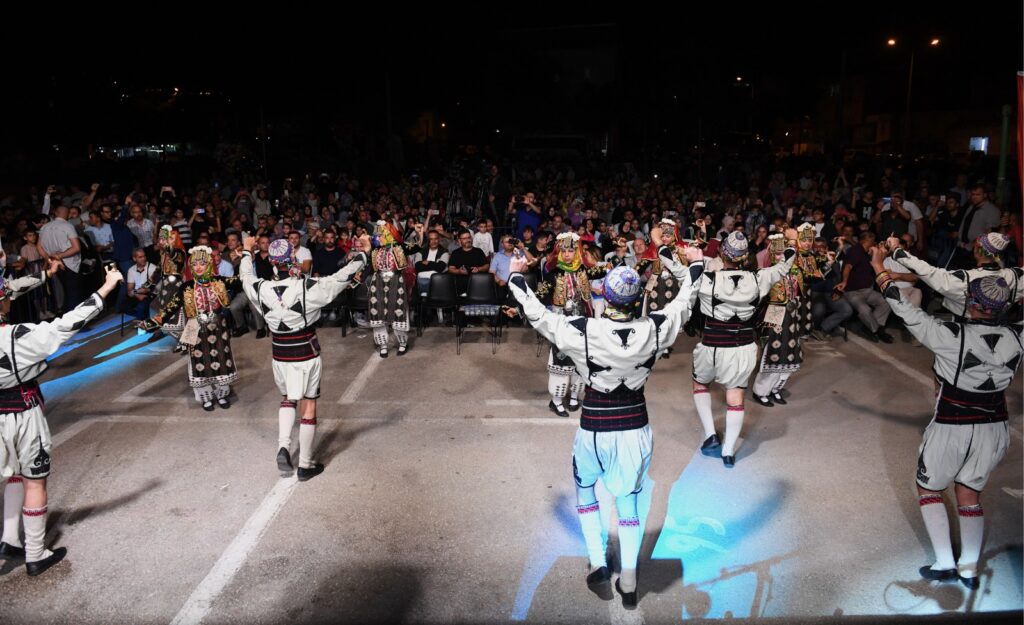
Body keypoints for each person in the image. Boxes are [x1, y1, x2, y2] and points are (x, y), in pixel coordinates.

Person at [506, 244, 703, 609]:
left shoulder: (582, 330)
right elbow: (685, 299)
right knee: (628, 504)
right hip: (634, 426)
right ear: (637, 300)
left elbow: (536, 314)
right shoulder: (656, 329)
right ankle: (629, 580)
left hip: (593, 427)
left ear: (605, 297)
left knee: (585, 492)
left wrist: (517, 273)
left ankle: (598, 560)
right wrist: (696, 263)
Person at [871, 247, 1022, 590]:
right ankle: (969, 570)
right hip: (995, 427)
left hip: (952, 425)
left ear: (976, 304)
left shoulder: (948, 335)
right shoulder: (1019, 336)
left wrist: (880, 266)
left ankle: (944, 562)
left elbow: (899, 302)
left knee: (928, 488)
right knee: (970, 494)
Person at [0, 261, 122, 576]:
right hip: (23, 413)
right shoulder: (17, 336)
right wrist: (106, 288)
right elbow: (65, 325)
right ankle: (36, 553)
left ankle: (10, 539)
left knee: (13, 474)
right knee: (33, 480)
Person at [239, 236, 367, 481]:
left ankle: (283, 446)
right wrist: (362, 256)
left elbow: (246, 277)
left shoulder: (261, 288)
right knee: (309, 404)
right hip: (306, 351)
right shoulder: (308, 287)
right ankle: (306, 465)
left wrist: (247, 252)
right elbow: (340, 278)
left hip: (279, 353)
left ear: (274, 263)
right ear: (293, 259)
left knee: (288, 398)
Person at [690, 230, 797, 467]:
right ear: (745, 256)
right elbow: (785, 264)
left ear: (721, 253)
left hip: (712, 344)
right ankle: (728, 452)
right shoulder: (761, 277)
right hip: (743, 345)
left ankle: (710, 435)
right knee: (735, 395)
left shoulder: (707, 278)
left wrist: (691, 259)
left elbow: (680, 271)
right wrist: (791, 242)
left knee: (700, 384)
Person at [136, 246, 239, 410]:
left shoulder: (220, 282)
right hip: (194, 328)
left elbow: (243, 280)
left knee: (221, 360)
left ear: (209, 265)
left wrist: (246, 255)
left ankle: (222, 395)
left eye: (202, 264)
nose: (198, 267)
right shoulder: (186, 287)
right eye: (195, 264)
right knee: (199, 362)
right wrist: (150, 323)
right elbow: (170, 308)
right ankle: (205, 397)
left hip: (218, 327)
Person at [751, 224, 825, 406]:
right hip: (775, 315)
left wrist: (826, 263)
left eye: (783, 253)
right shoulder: (766, 273)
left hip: (792, 317)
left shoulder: (796, 271)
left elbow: (814, 276)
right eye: (776, 254)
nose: (781, 257)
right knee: (773, 354)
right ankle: (760, 391)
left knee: (790, 355)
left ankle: (776, 388)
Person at [360, 220, 423, 357]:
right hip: (378, 283)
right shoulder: (374, 251)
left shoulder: (399, 247)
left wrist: (419, 233)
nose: (378, 236)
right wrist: (353, 282)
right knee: (378, 313)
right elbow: (367, 269)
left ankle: (402, 343)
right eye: (377, 233)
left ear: (390, 233)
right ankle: (383, 345)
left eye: (382, 233)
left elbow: (416, 247)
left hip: (396, 281)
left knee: (398, 311)